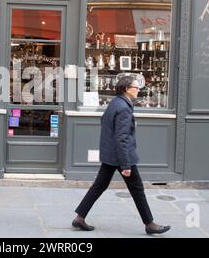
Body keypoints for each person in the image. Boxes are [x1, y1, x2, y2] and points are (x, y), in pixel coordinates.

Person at [72, 76, 171, 235]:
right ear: (126, 88)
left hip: (111, 154)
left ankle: (79, 217)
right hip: (122, 156)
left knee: (99, 186)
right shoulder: (124, 108)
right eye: (136, 87)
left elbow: (105, 123)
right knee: (137, 188)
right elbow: (122, 137)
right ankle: (149, 223)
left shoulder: (115, 103)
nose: (139, 89)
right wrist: (125, 164)